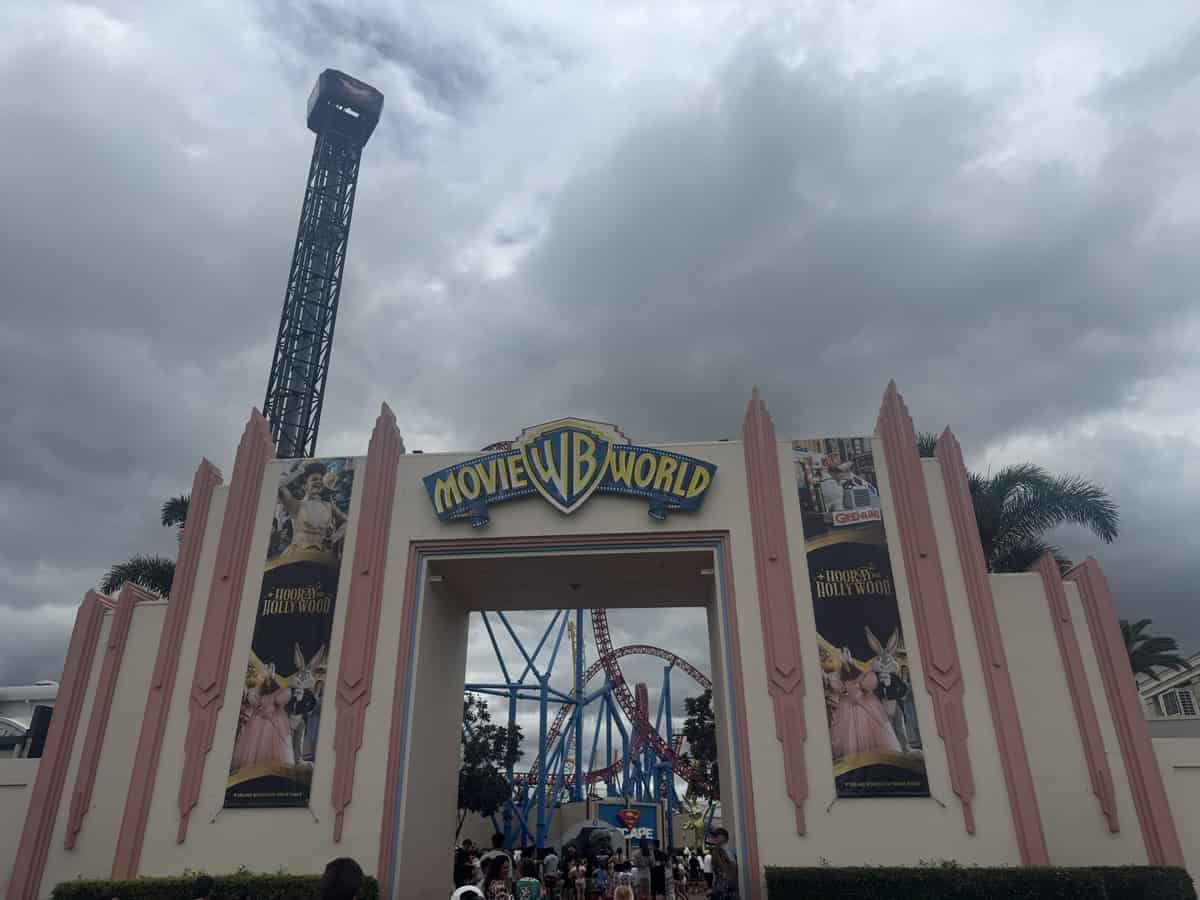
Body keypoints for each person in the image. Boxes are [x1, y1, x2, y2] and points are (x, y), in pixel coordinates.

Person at [230, 663, 293, 770]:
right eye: (266, 668)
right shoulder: (258, 689)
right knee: (254, 747)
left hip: (275, 721)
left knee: (274, 748)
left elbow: (279, 700)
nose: (266, 671)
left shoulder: (281, 690)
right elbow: (254, 700)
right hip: (258, 720)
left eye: (269, 669)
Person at [277, 461, 347, 556]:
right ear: (304, 486)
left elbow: (347, 522)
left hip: (321, 557)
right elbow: (278, 486)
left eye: (321, 480)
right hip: (297, 556)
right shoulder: (296, 505)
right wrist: (299, 471)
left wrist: (334, 538)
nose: (319, 482)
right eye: (314, 479)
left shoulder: (328, 506)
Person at [708, 829, 738, 900]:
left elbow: (733, 868)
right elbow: (715, 871)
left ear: (723, 837)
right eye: (714, 836)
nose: (714, 838)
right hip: (720, 886)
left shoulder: (729, 851)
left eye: (716, 836)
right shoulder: (716, 851)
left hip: (728, 887)